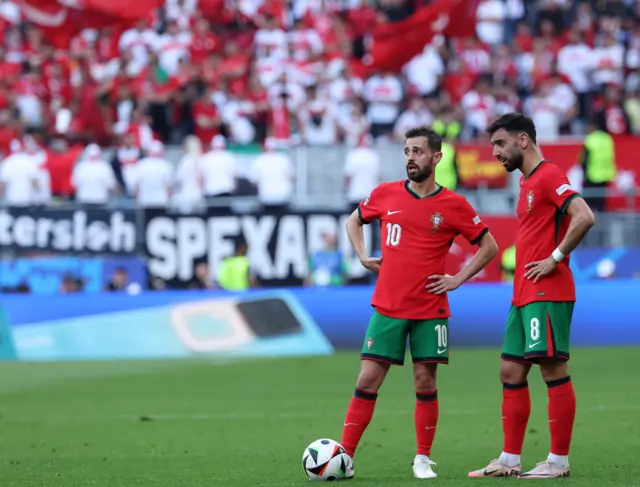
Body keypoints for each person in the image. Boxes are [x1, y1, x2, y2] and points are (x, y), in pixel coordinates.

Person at [340, 126, 499, 479]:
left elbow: (489, 246)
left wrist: (458, 278)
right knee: (367, 379)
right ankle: (345, 456)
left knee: (425, 382)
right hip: (388, 306)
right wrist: (364, 255)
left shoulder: (453, 204)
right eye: (408, 151)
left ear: (436, 157)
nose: (411, 158)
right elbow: (354, 219)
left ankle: (422, 458)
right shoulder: (385, 194)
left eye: (418, 152)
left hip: (430, 309)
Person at [469, 113, 595, 479]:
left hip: (547, 291)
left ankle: (558, 461)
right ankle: (509, 459)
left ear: (523, 140)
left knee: (553, 369)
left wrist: (555, 258)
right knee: (510, 370)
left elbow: (584, 216)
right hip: (523, 293)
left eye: (500, 144)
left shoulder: (549, 175)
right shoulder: (527, 182)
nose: (495, 152)